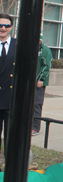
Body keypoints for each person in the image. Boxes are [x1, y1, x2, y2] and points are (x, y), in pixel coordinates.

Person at [32, 34, 52, 136]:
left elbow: (46, 66)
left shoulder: (45, 50)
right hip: (29, 83)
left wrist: (41, 79)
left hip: (38, 83)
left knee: (36, 104)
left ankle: (35, 127)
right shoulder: (29, 48)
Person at [0, 13, 16, 144]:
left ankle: (9, 164)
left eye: (7, 25)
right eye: (0, 25)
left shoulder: (19, 46)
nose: (3, 28)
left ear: (11, 27)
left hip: (11, 100)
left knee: (10, 138)